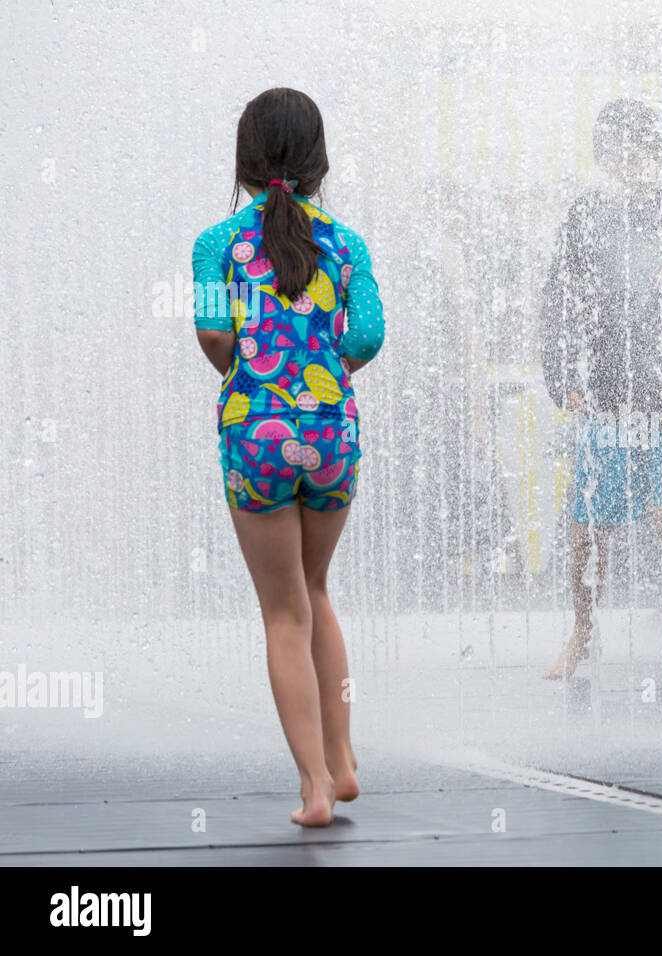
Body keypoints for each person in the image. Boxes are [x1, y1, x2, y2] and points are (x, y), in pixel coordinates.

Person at [192, 88, 384, 826]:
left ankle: (312, 788)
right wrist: (322, 379)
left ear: (244, 164)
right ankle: (343, 760)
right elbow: (366, 336)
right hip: (331, 432)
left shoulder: (219, 243)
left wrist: (254, 383)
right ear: (318, 162)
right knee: (318, 591)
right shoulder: (348, 243)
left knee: (282, 613)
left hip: (256, 433)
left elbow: (213, 333)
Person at [540, 98, 662, 688]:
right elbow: (557, 298)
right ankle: (582, 633)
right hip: (608, 393)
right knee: (589, 525)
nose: (636, 161)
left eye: (646, 150)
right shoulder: (585, 216)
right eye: (624, 150)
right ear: (604, 157)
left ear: (660, 155)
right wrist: (560, 372)